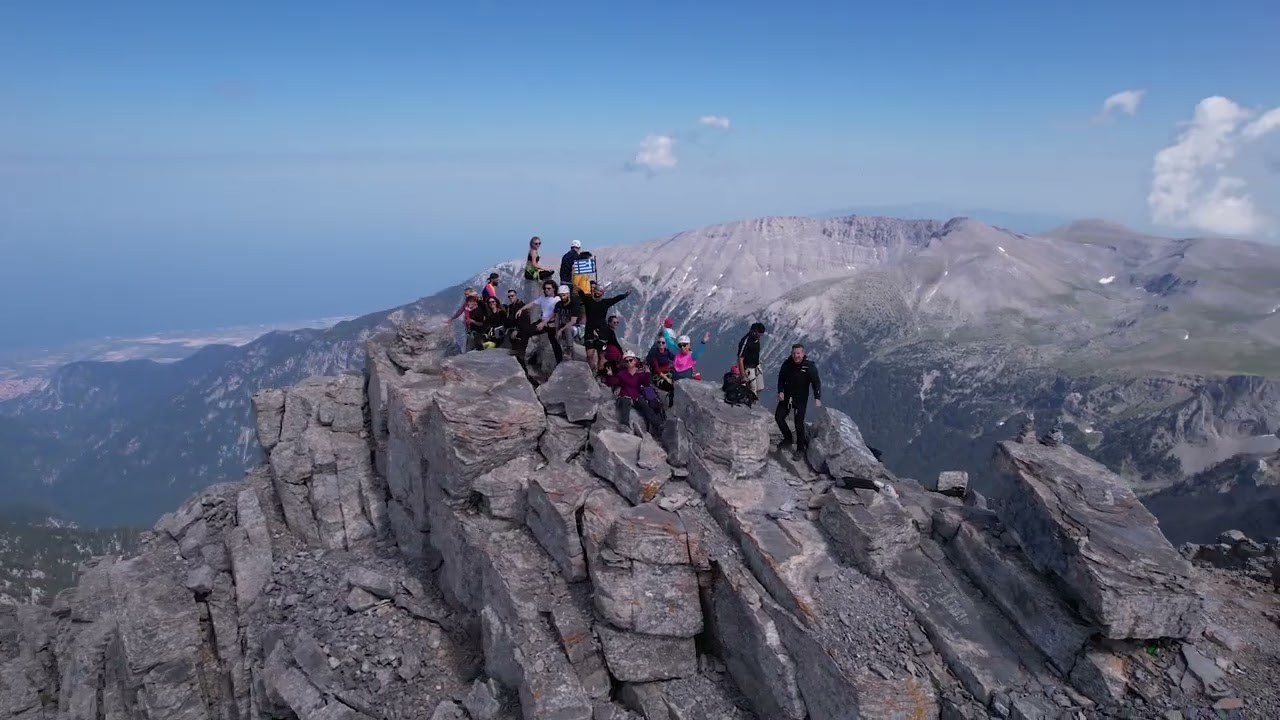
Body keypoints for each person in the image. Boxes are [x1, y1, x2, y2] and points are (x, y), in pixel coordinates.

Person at [776, 343, 822, 456]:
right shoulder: (787, 364)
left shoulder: (809, 367)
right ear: (791, 353)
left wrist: (817, 398)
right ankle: (788, 438)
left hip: (800, 398)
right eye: (794, 353)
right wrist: (780, 391)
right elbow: (781, 378)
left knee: (798, 423)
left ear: (803, 353)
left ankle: (800, 449)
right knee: (779, 417)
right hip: (787, 395)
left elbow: (816, 383)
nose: (796, 356)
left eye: (798, 353)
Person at [605, 351, 663, 435]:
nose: (629, 363)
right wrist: (609, 376)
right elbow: (614, 382)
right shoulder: (622, 374)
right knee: (625, 402)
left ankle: (658, 425)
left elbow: (646, 384)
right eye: (626, 361)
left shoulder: (639, 373)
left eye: (630, 360)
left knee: (645, 406)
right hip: (625, 396)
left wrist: (647, 374)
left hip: (636, 396)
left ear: (635, 360)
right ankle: (624, 424)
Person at [580, 281, 630, 375]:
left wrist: (625, 295)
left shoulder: (605, 302)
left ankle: (599, 373)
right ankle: (591, 372)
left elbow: (615, 299)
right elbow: (580, 293)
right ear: (594, 290)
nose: (598, 292)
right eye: (597, 290)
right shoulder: (588, 300)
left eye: (600, 291)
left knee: (601, 355)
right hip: (589, 330)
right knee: (589, 354)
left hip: (602, 331)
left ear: (602, 293)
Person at [517, 280, 565, 364]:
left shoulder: (557, 299)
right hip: (542, 321)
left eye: (549, 288)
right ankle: (522, 354)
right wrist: (521, 309)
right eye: (545, 288)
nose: (546, 290)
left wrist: (544, 323)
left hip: (552, 324)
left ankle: (559, 361)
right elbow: (532, 304)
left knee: (554, 343)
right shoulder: (543, 298)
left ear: (554, 289)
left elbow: (555, 314)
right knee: (526, 330)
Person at [736, 322, 767, 398]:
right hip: (748, 368)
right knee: (753, 389)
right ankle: (751, 402)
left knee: (760, 387)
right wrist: (743, 375)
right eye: (759, 334)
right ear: (754, 331)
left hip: (756, 365)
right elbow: (740, 359)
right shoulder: (745, 342)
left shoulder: (756, 339)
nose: (760, 336)